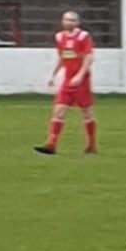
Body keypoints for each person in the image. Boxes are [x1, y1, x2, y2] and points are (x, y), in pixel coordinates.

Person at [34, 11, 97, 155]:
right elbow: (62, 57)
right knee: (59, 110)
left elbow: (89, 57)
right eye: (67, 20)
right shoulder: (59, 37)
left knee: (87, 113)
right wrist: (53, 75)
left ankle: (91, 145)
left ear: (78, 23)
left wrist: (80, 75)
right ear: (62, 21)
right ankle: (51, 144)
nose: (70, 22)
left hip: (82, 82)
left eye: (73, 20)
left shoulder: (83, 37)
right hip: (67, 81)